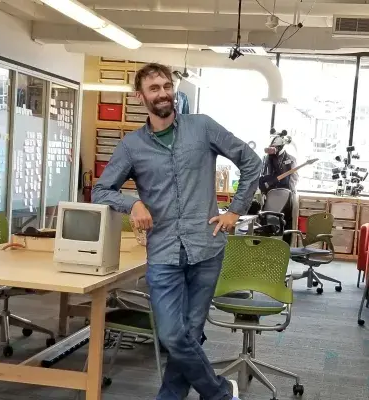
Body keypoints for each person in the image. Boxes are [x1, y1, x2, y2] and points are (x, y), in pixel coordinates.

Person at [92, 63, 261, 400]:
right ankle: (219, 393)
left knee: (190, 334)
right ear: (140, 97)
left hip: (206, 247)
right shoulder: (131, 146)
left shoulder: (202, 127)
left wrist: (235, 211)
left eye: (167, 86)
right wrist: (133, 205)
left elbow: (251, 161)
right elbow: (102, 190)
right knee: (172, 335)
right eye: (154, 88)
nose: (163, 93)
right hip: (164, 252)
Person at [258, 129, 298, 243]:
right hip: (269, 194)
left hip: (286, 194)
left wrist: (291, 192)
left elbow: (294, 178)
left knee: (287, 220)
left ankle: (286, 246)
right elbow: (263, 175)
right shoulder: (266, 159)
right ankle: (263, 244)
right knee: (265, 218)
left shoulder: (290, 159)